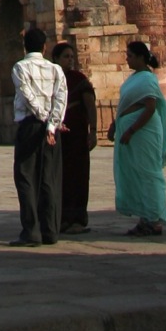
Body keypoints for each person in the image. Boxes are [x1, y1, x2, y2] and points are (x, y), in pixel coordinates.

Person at [9, 25, 67, 247]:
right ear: (44, 47)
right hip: (50, 129)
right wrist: (53, 125)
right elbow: (61, 99)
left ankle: (31, 231)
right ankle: (50, 230)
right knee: (48, 178)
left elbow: (27, 95)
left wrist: (44, 120)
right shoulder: (55, 70)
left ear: (25, 46)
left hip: (31, 126)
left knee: (25, 177)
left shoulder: (20, 68)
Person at [111, 38, 166, 237]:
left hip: (144, 133)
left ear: (140, 58)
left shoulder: (148, 78)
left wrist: (131, 130)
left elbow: (150, 107)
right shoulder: (134, 77)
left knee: (149, 174)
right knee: (137, 173)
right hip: (133, 133)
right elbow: (127, 104)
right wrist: (116, 124)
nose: (127, 59)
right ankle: (145, 218)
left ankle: (154, 220)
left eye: (129, 56)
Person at [53, 40, 97, 234]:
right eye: (65, 57)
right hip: (58, 136)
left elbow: (90, 106)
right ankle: (61, 218)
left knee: (77, 176)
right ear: (56, 59)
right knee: (60, 176)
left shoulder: (78, 79)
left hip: (77, 135)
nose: (69, 60)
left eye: (71, 57)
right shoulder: (52, 79)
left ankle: (77, 219)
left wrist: (93, 130)